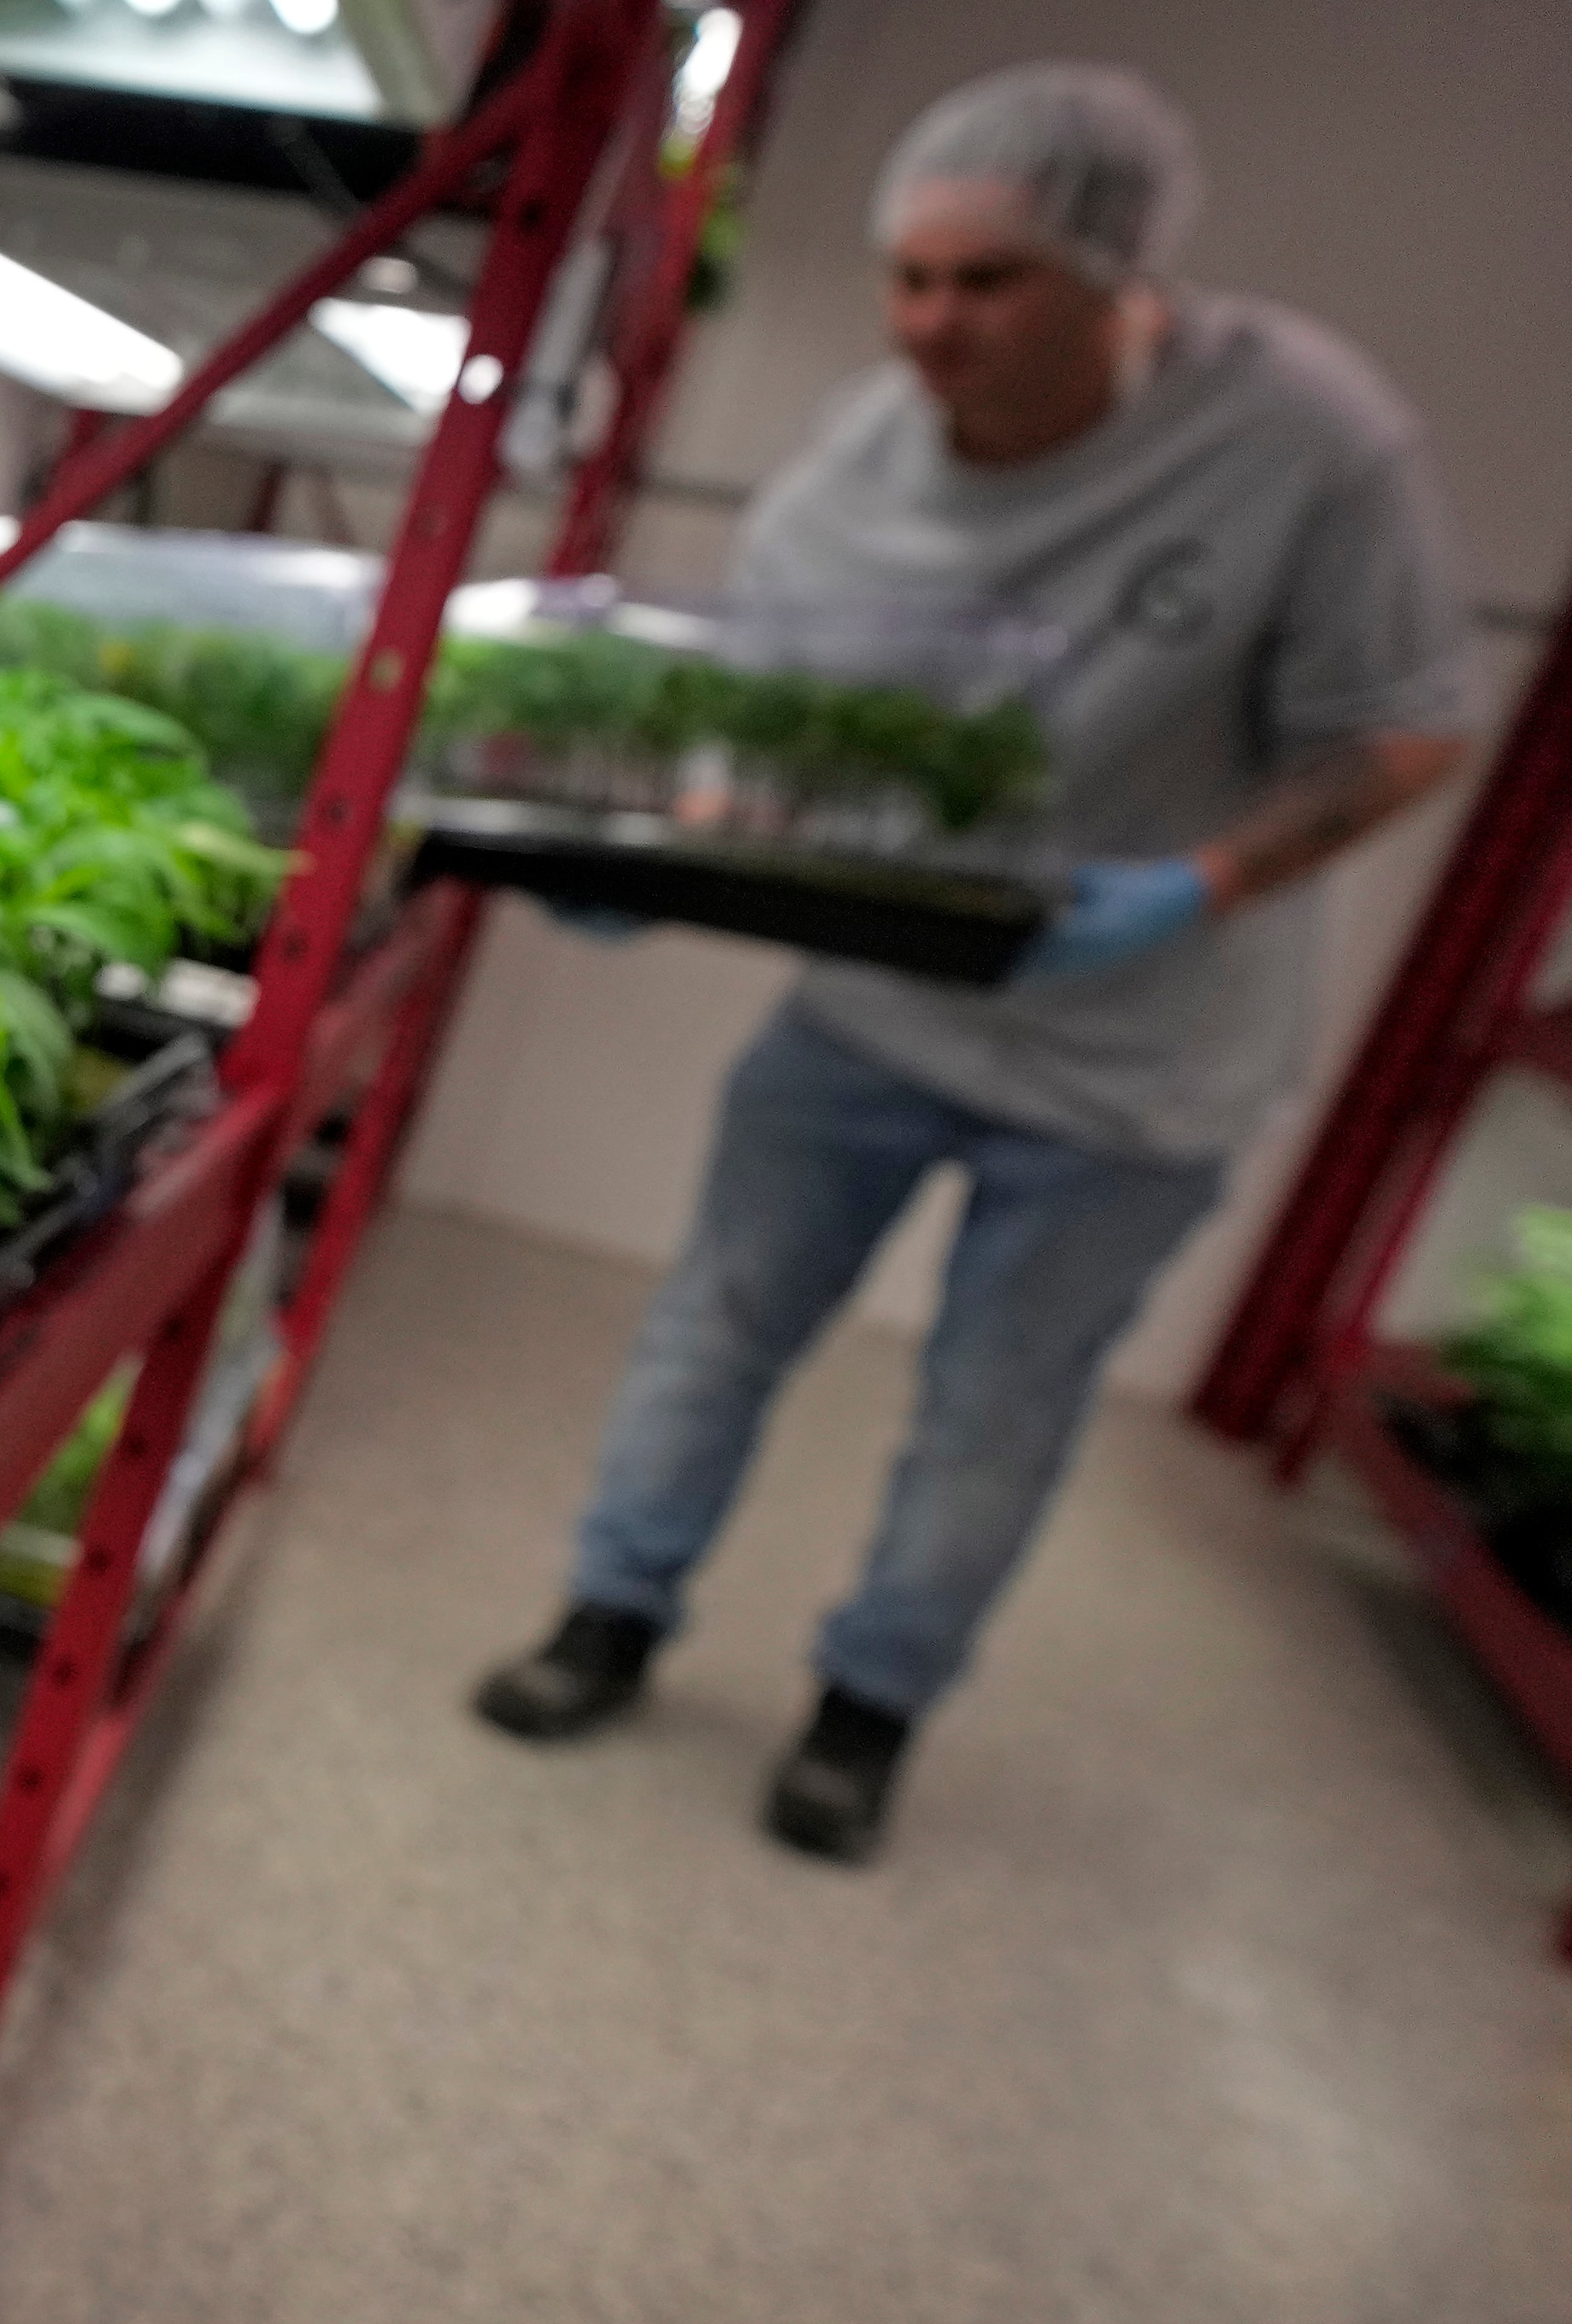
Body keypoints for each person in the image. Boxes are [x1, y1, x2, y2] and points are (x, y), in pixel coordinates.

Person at [473, 62, 1475, 1861]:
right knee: (716, 1321)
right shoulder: (849, 474)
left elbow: (1402, 728)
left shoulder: (1299, 440)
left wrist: (1197, 878)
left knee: (992, 1413)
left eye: (986, 283)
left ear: (1110, 274)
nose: (930, 324)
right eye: (907, 277)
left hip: (1138, 1055)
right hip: (871, 1006)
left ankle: (869, 1708)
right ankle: (608, 1612)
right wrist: (658, 844)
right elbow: (767, 733)